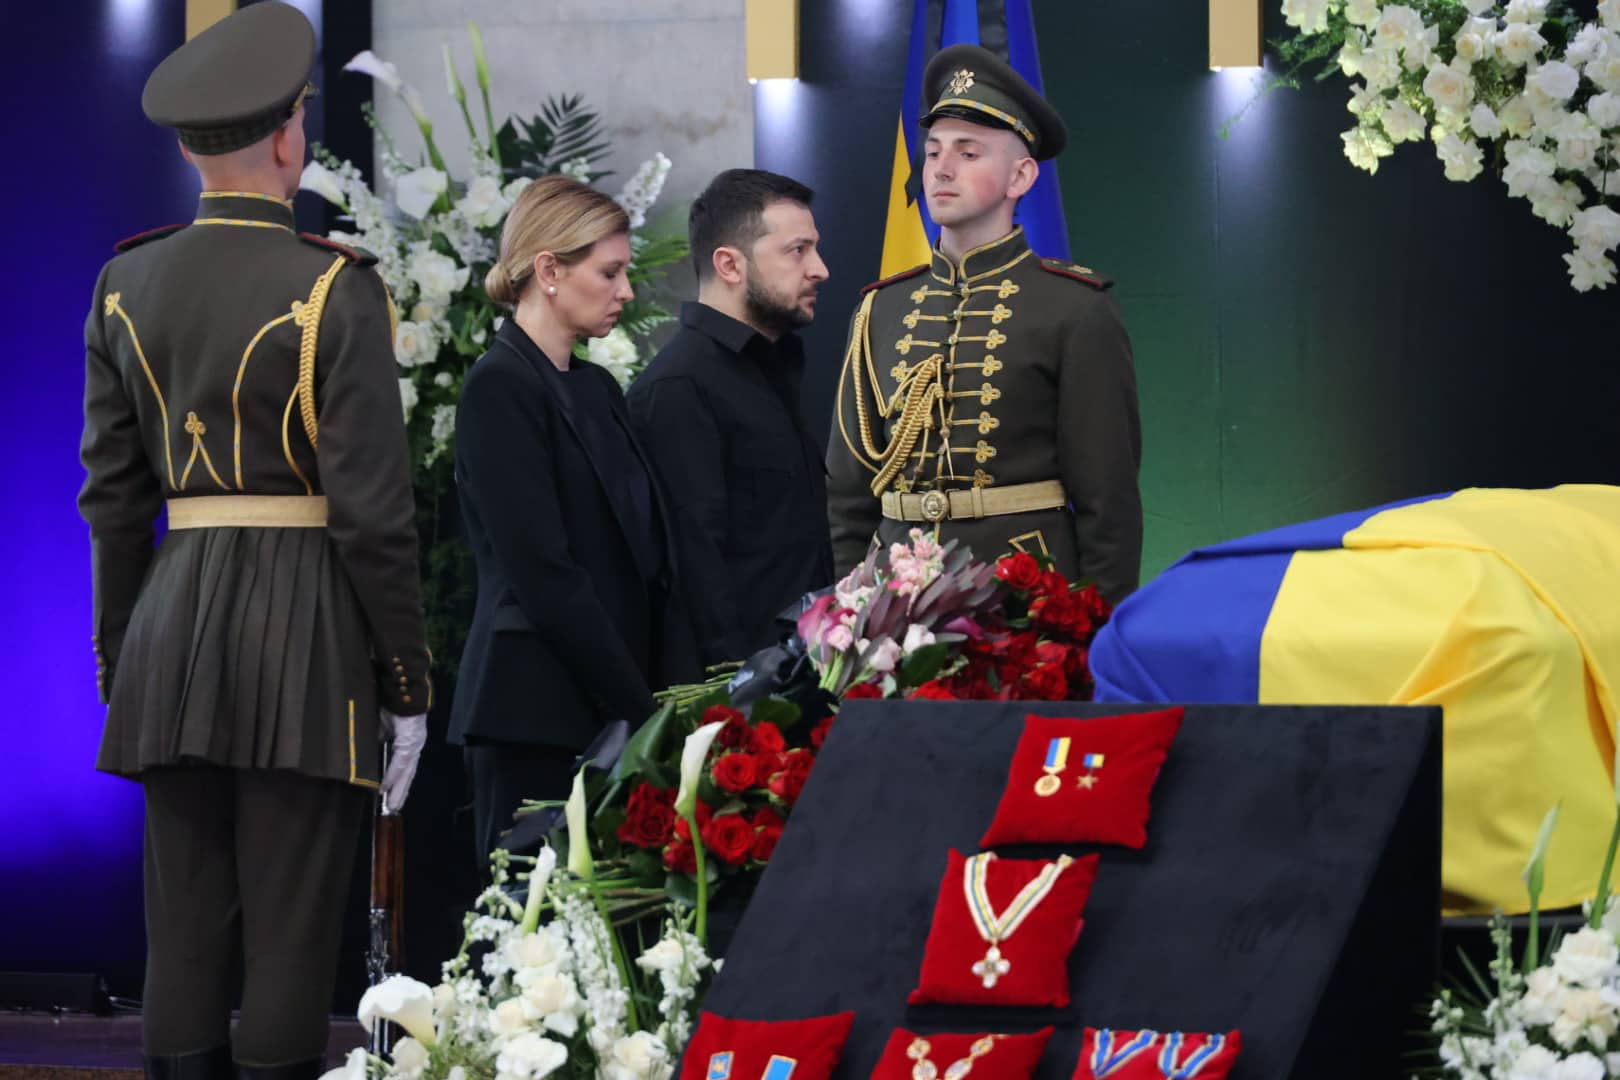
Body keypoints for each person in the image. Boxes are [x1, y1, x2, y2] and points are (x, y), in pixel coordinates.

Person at [77, 5, 430, 1077]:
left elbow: (111, 502)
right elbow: (373, 516)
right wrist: (407, 681)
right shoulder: (334, 285)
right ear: (290, 138)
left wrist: (120, 653)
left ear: (192, 150)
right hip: (306, 629)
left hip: (170, 624)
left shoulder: (123, 283)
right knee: (290, 934)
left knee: (181, 933)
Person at [825, 43, 1143, 603]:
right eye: (933, 151)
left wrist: (1096, 629)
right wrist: (855, 610)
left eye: (968, 153)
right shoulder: (881, 308)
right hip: (894, 600)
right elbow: (848, 496)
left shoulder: (1075, 308)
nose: (941, 169)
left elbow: (1108, 506)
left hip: (1024, 601)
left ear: (1021, 176)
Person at [452, 175, 696, 863]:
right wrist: (639, 706)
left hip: (610, 702)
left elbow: (641, 549)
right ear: (549, 271)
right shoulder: (499, 386)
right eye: (610, 273)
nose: (626, 291)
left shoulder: (596, 386)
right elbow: (543, 572)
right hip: (535, 710)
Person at [627, 169, 834, 664]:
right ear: (729, 265)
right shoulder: (679, 387)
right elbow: (694, 579)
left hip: (804, 670)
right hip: (745, 689)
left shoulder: (771, 367)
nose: (820, 269)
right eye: (797, 250)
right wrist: (740, 692)